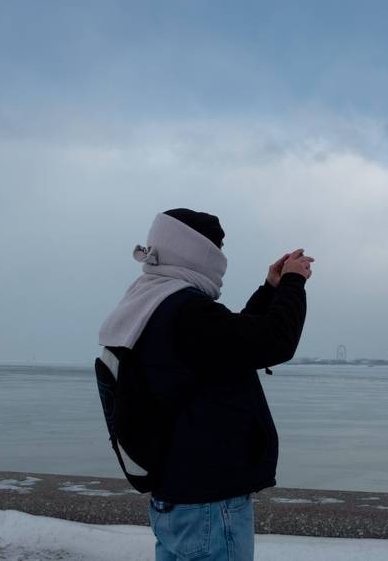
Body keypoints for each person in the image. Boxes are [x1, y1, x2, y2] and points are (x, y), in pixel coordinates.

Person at [98, 208, 312, 561]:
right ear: (198, 252)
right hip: (209, 504)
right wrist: (293, 283)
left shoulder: (149, 303)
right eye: (217, 249)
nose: (221, 258)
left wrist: (270, 290)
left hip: (175, 497)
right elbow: (273, 342)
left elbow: (230, 345)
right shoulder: (185, 310)